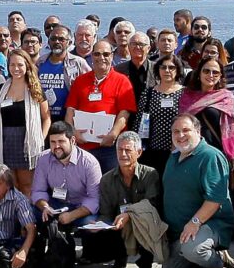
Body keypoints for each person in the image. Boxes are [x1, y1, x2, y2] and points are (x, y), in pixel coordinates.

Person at [164, 114, 234, 268]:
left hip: (209, 224)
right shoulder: (174, 157)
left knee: (193, 249)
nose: (180, 135)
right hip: (180, 231)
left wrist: (194, 222)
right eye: (176, 131)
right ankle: (200, 260)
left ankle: (215, 264)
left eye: (186, 130)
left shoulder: (210, 156)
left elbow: (215, 199)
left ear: (198, 131)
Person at [88, 132, 166, 268]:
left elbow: (152, 203)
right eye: (120, 150)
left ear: (139, 152)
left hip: (143, 221)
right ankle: (119, 256)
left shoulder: (150, 174)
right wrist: (99, 224)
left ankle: (145, 264)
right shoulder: (106, 179)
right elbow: (106, 212)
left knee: (144, 220)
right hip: (119, 223)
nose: (123, 154)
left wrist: (129, 214)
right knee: (96, 231)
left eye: (128, 150)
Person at [64, 40, 134, 173]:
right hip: (84, 145)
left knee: (111, 186)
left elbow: (125, 113)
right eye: (97, 54)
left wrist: (113, 134)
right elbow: (70, 110)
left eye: (106, 54)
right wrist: (72, 133)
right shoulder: (80, 81)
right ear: (91, 56)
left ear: (112, 56)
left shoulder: (122, 81)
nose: (101, 58)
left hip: (111, 147)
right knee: (85, 186)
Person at [31, 121, 102, 250]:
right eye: (53, 142)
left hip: (81, 207)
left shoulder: (90, 163)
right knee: (30, 212)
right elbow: (38, 191)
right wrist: (45, 207)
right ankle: (39, 252)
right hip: (56, 205)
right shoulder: (43, 159)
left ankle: (89, 253)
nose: (56, 146)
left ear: (73, 140)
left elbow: (94, 199)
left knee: (91, 225)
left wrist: (72, 216)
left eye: (61, 141)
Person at [0, 49, 49, 195]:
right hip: (5, 142)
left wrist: (40, 138)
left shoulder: (35, 89)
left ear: (27, 66)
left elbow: (46, 118)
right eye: (12, 65)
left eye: (20, 65)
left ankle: (28, 216)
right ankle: (14, 215)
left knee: (27, 184)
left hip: (27, 143)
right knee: (10, 184)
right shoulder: (1, 89)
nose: (16, 68)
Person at [178, 58, 234, 169]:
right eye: (206, 71)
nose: (210, 75)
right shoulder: (186, 96)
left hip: (217, 155)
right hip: (190, 153)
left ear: (220, 76)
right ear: (199, 74)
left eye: (215, 72)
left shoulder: (226, 97)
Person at [135, 54, 185, 172]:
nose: (167, 71)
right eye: (163, 67)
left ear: (177, 70)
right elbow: (139, 121)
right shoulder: (149, 93)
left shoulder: (185, 93)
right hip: (153, 150)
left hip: (179, 149)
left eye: (171, 67)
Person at [35, 26, 91, 121]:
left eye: (61, 39)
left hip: (68, 118)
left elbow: (90, 85)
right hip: (42, 118)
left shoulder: (78, 63)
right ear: (48, 42)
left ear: (69, 43)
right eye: (53, 39)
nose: (57, 42)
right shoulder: (40, 62)